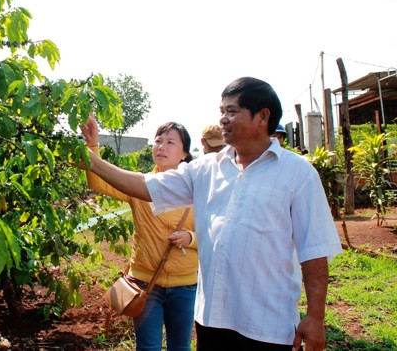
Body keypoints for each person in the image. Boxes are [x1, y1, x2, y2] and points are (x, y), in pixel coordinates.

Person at [78, 77, 342, 351]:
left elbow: (314, 252)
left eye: (232, 111)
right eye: (221, 112)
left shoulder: (298, 174)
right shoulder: (207, 169)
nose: (223, 120)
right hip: (212, 322)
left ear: (262, 117)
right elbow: (145, 185)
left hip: (268, 327)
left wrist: (315, 316)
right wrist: (91, 160)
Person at [80, 114, 197, 351]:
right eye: (158, 141)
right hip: (145, 283)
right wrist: (92, 144)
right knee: (148, 348)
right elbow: (98, 184)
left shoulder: (197, 188)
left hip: (185, 285)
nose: (161, 146)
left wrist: (191, 238)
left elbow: (215, 232)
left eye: (170, 142)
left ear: (184, 154)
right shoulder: (139, 184)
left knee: (180, 347)